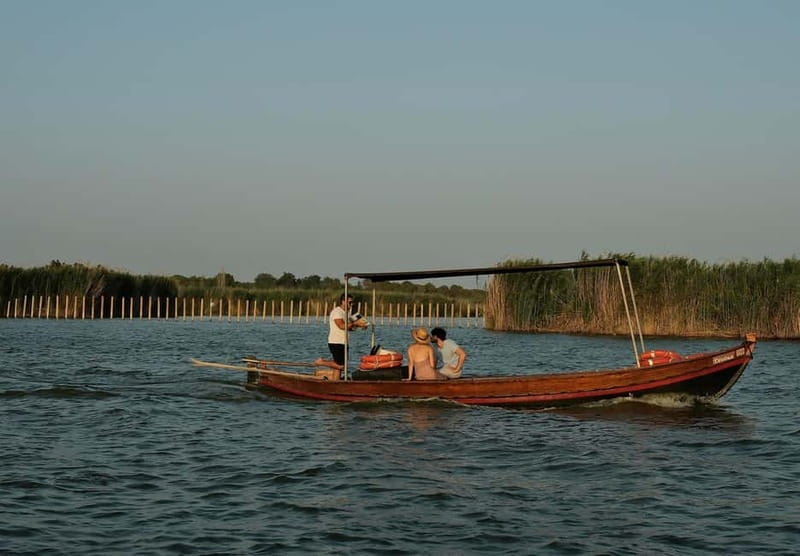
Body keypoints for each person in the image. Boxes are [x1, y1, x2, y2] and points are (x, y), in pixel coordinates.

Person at [315, 293, 366, 371]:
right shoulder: (337, 312)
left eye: (352, 302)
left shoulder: (347, 313)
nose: (351, 304)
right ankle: (321, 362)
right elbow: (341, 326)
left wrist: (360, 325)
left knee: (339, 367)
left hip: (344, 342)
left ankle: (336, 379)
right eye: (349, 302)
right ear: (343, 301)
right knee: (341, 366)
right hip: (336, 342)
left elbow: (348, 327)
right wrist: (354, 323)